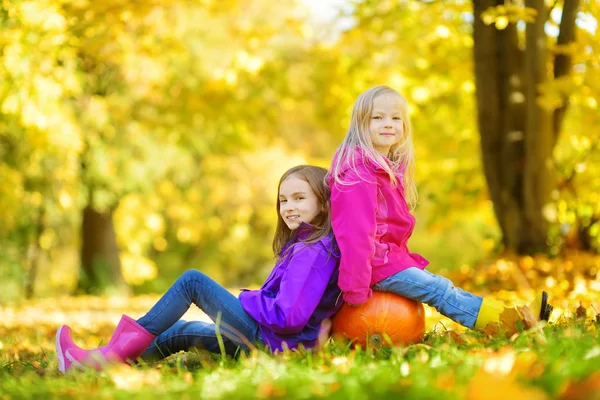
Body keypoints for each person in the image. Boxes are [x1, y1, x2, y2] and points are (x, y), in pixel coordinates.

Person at [56, 165, 342, 373]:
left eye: (299, 198)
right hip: (278, 344)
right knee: (181, 330)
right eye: (283, 200)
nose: (289, 207)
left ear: (323, 202)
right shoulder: (305, 244)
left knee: (193, 282)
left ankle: (107, 357)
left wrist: (247, 299)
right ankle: (102, 365)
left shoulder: (313, 250)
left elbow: (288, 316)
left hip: (276, 344)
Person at [327, 85, 553, 332]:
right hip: (373, 268)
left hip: (383, 261)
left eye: (395, 118)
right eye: (377, 118)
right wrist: (355, 288)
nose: (388, 124)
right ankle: (510, 323)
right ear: (360, 124)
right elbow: (355, 235)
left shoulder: (381, 169)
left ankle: (511, 317)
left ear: (404, 127)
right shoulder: (358, 175)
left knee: (440, 288)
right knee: (440, 290)